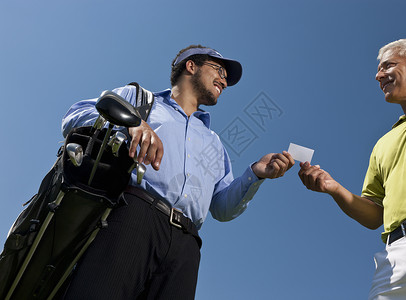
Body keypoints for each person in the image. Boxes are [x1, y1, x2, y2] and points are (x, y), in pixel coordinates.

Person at [60, 45, 294, 300]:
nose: (224, 81)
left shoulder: (214, 142)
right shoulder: (140, 101)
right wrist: (133, 122)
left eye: (226, 77)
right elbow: (74, 116)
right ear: (191, 66)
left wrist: (256, 174)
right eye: (219, 71)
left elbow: (222, 208)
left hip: (187, 245)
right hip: (132, 216)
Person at [298, 38, 406, 299]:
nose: (378, 75)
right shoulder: (383, 143)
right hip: (395, 257)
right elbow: (373, 215)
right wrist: (333, 188)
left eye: (388, 66)